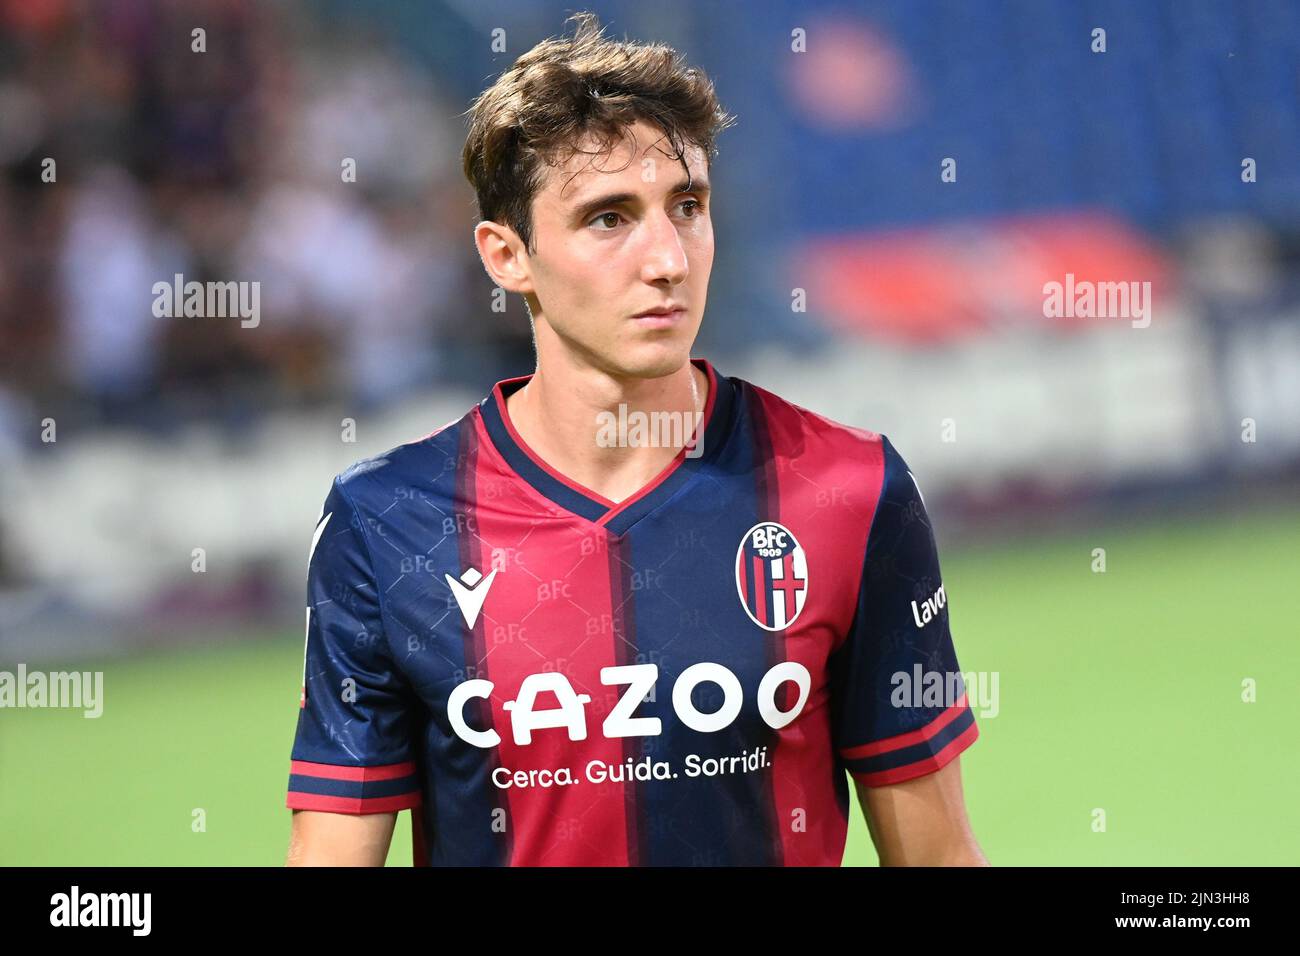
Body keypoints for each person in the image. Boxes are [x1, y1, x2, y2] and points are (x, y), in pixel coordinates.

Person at [285, 12, 984, 866]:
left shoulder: (849, 488)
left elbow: (938, 856)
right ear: (507, 256)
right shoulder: (387, 520)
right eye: (609, 218)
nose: (668, 260)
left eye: (687, 207)